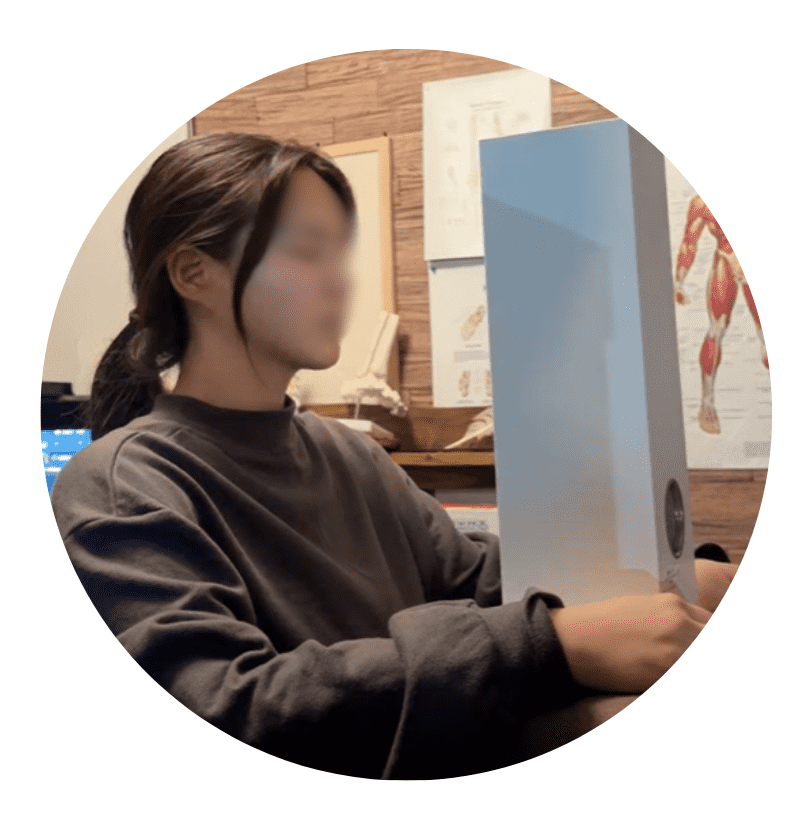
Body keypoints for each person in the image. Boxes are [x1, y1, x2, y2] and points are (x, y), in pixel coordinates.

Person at [51, 133, 736, 780]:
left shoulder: (352, 457)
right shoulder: (123, 486)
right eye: (305, 250)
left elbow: (484, 584)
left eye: (338, 253)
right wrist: (552, 643)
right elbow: (232, 710)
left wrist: (663, 577)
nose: (338, 281)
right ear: (192, 273)